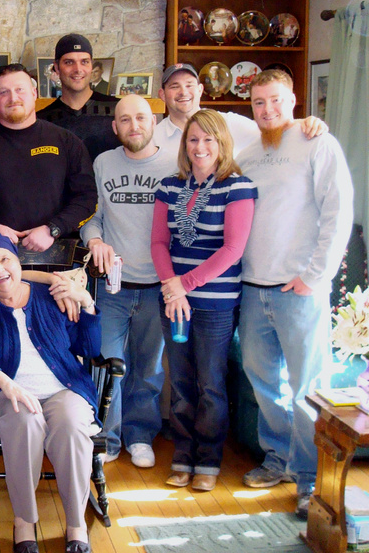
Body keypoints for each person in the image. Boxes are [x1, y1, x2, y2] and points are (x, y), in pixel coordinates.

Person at [237, 70, 353, 519]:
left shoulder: (318, 143)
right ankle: (278, 459)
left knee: (308, 388)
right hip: (252, 287)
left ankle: (310, 481)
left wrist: (315, 275)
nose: (267, 110)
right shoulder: (248, 153)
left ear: (293, 99)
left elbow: (337, 211)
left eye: (275, 101)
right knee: (264, 381)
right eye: (259, 103)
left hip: (300, 289)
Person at [0, 233, 102, 553]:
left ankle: (75, 522)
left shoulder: (53, 296)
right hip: (6, 397)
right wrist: (5, 383)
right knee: (25, 421)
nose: (0, 269)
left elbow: (89, 348)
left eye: (6, 259)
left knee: (73, 426)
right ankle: (24, 520)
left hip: (65, 389)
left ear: (19, 263)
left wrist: (86, 301)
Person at [150, 109, 257, 491]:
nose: (200, 147)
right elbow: (159, 243)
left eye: (209, 139)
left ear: (222, 143)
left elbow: (232, 250)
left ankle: (208, 461)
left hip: (215, 302)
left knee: (210, 382)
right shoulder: (169, 186)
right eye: (194, 139)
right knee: (179, 382)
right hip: (173, 300)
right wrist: (170, 285)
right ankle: (183, 456)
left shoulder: (238, 187)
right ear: (185, 144)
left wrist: (184, 284)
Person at [79, 94, 177, 468]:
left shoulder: (174, 164)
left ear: (153, 122)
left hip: (157, 287)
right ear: (114, 127)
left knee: (148, 368)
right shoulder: (103, 163)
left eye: (141, 117)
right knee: (107, 364)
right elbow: (92, 216)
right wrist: (96, 240)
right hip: (113, 287)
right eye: (125, 120)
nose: (133, 125)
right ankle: (108, 438)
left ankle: (140, 435)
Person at [0, 64, 97, 251]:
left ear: (34, 93)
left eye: (20, 90)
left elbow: (87, 197)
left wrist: (53, 229)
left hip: (57, 261)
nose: (13, 98)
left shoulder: (66, 142)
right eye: (4, 92)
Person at [154, 63, 326, 157]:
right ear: (162, 94)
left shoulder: (228, 122)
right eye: (174, 86)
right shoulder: (154, 138)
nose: (183, 92)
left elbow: (272, 128)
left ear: (200, 89)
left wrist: (305, 123)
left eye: (189, 85)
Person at [37, 34, 119, 162]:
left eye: (84, 62)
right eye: (69, 62)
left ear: (91, 66)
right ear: (57, 68)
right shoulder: (42, 121)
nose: (78, 69)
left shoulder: (118, 111)